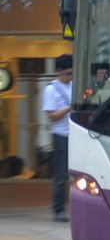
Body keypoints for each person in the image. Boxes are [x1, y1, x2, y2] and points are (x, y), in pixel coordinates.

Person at [42, 54, 73, 222]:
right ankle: (58, 209)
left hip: (76, 134)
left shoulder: (75, 85)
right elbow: (52, 116)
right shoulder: (50, 89)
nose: (69, 77)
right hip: (61, 135)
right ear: (59, 71)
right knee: (60, 175)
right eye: (67, 73)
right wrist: (69, 108)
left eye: (71, 73)